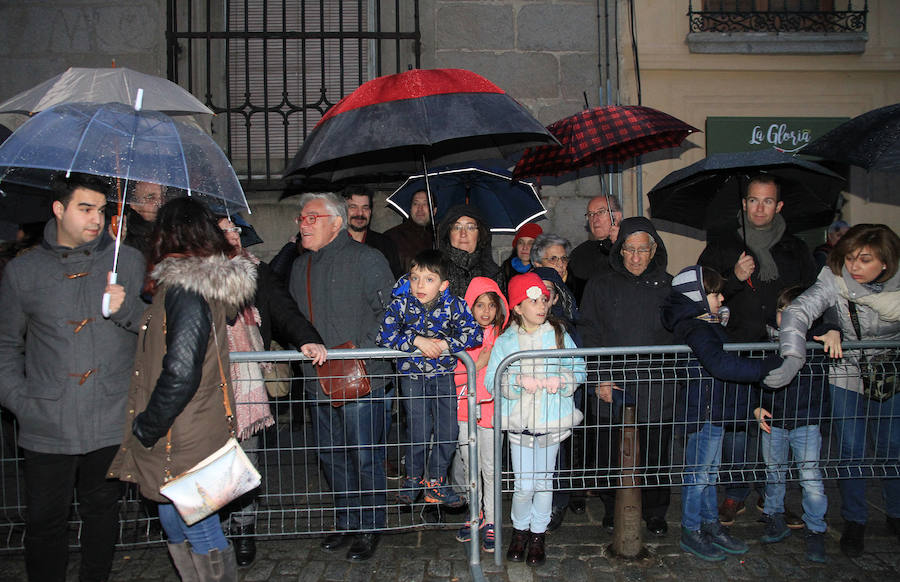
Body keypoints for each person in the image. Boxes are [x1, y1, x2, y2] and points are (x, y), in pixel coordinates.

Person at [0, 172, 145, 582]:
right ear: (59, 209)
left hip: (110, 415)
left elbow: (154, 333)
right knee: (45, 523)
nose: (96, 219)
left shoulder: (128, 261)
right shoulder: (23, 272)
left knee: (103, 516)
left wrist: (128, 309)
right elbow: (5, 345)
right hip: (47, 420)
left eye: (102, 210)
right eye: (85, 209)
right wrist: (21, 402)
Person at [107, 198, 253, 582]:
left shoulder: (186, 289)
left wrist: (147, 425)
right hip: (190, 428)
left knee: (199, 528)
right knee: (175, 520)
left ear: (169, 235)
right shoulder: (192, 286)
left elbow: (181, 371)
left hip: (181, 433)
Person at [765, 223, 900, 558]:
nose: (854, 266)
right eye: (851, 257)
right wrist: (798, 353)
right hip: (846, 371)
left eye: (864, 259)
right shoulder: (833, 277)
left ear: (885, 262)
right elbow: (799, 310)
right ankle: (855, 520)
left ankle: (897, 513)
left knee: (891, 445)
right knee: (851, 449)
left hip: (890, 372)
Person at [698, 174, 816, 526]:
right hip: (736, 350)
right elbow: (704, 291)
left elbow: (810, 297)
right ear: (744, 203)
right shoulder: (723, 243)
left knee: (777, 427)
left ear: (778, 205)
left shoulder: (794, 247)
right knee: (737, 426)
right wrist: (733, 275)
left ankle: (773, 496)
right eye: (753, 200)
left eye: (767, 201)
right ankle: (734, 494)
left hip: (779, 351)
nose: (759, 207)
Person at [287, 192, 395, 561]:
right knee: (332, 456)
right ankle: (347, 520)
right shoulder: (300, 266)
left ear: (336, 221)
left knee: (365, 456)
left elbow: (390, 314)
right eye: (302, 218)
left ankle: (371, 526)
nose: (303, 223)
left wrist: (357, 355)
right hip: (318, 381)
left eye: (312, 217)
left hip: (362, 380)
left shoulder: (368, 259)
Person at [215, 215, 327, 566]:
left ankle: (244, 529)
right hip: (208, 383)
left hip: (247, 384)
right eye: (224, 230)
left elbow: (283, 309)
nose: (233, 234)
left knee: (246, 458)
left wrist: (307, 338)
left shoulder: (257, 271)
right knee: (211, 462)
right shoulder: (193, 274)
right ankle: (216, 529)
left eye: (235, 229)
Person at [660, 265, 783, 562]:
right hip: (703, 412)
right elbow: (722, 366)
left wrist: (751, 404)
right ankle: (691, 530)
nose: (721, 298)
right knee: (698, 476)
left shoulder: (708, 324)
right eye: (714, 293)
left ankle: (710, 524)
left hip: (715, 410)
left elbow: (727, 367)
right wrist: (769, 366)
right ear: (697, 297)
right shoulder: (696, 328)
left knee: (708, 475)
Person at [578, 217, 675, 537]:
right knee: (609, 449)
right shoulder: (600, 284)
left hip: (655, 384)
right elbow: (589, 333)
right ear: (619, 251)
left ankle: (655, 510)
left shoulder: (670, 286)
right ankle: (611, 505)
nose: (635, 257)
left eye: (642, 250)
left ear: (654, 250)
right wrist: (599, 378)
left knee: (655, 450)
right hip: (613, 382)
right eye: (629, 250)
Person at [485, 272, 586, 567]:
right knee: (523, 484)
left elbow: (578, 368)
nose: (541, 306)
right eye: (533, 301)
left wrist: (563, 380)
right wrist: (516, 382)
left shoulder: (558, 334)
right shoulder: (507, 340)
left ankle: (538, 534)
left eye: (544, 299)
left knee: (544, 483)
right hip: (521, 425)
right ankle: (520, 530)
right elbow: (494, 379)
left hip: (550, 421)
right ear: (517, 307)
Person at [376, 249, 482, 507]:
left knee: (449, 430)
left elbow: (474, 334)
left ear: (443, 285)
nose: (420, 285)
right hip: (412, 377)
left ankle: (436, 480)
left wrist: (446, 344)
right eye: (415, 278)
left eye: (428, 279)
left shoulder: (454, 305)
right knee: (419, 429)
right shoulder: (400, 305)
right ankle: (413, 478)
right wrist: (416, 340)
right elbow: (383, 336)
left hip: (443, 376)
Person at [753, 285, 840, 563]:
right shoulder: (765, 340)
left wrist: (832, 329)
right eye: (782, 312)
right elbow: (754, 374)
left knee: (810, 477)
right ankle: (774, 516)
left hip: (806, 420)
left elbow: (833, 321)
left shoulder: (815, 339)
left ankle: (815, 529)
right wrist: (756, 405)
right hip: (774, 418)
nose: (786, 319)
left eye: (794, 313)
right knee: (774, 472)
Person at [452, 276, 509, 553]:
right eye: (479, 305)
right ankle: (474, 514)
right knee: (469, 465)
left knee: (491, 468)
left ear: (499, 308)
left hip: (492, 413)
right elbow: (453, 375)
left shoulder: (503, 338)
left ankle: (491, 520)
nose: (486, 311)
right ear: (469, 308)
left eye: (491, 305)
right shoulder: (460, 337)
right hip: (465, 412)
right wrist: (477, 362)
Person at [437, 205, 501, 298]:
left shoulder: (493, 274)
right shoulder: (435, 270)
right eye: (457, 227)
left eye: (470, 227)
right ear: (448, 233)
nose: (463, 234)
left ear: (479, 234)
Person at [567, 195, 623, 302]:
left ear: (617, 216)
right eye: (590, 214)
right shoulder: (579, 254)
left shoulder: (630, 247)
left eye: (601, 212)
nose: (594, 219)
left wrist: (620, 244)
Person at [343, 187, 404, 279]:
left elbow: (395, 281)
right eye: (353, 207)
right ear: (343, 211)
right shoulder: (332, 244)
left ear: (370, 212)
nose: (360, 213)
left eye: (365, 208)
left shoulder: (385, 245)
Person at [385, 189, 436, 273]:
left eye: (425, 203)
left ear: (434, 211)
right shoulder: (392, 237)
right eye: (415, 204)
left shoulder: (441, 236)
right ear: (410, 209)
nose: (420, 208)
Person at [122, 181, 166, 258]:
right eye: (151, 198)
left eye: (162, 197)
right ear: (134, 204)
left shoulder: (170, 232)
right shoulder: (125, 236)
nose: (159, 203)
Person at [500, 223, 542, 293]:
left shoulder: (542, 270)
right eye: (521, 242)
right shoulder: (506, 268)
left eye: (531, 243)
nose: (525, 247)